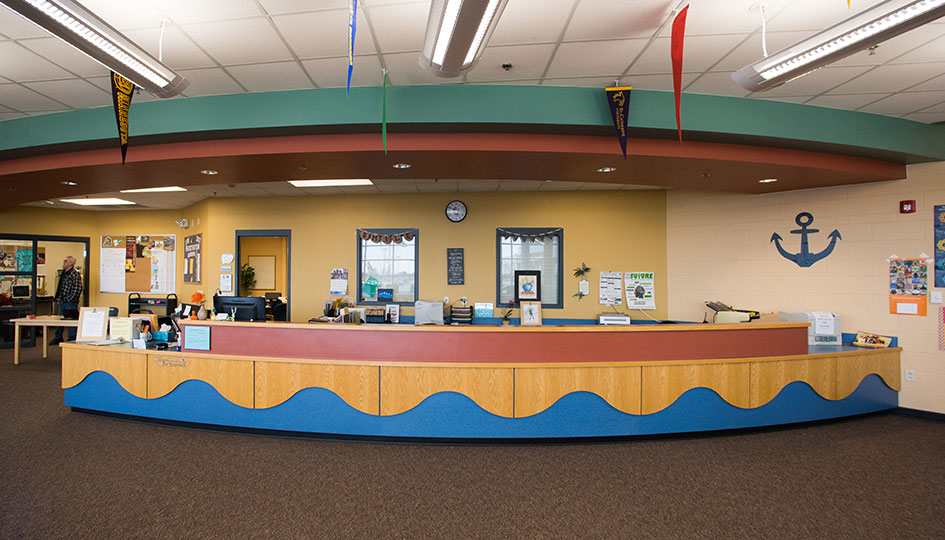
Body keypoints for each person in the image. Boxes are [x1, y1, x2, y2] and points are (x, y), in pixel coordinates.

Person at [51, 256, 82, 345]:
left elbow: (78, 288)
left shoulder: (74, 274)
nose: (64, 262)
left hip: (69, 301)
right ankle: (58, 337)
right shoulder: (64, 273)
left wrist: (71, 298)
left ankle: (71, 338)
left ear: (71, 263)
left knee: (71, 320)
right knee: (60, 318)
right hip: (62, 300)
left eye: (66, 261)